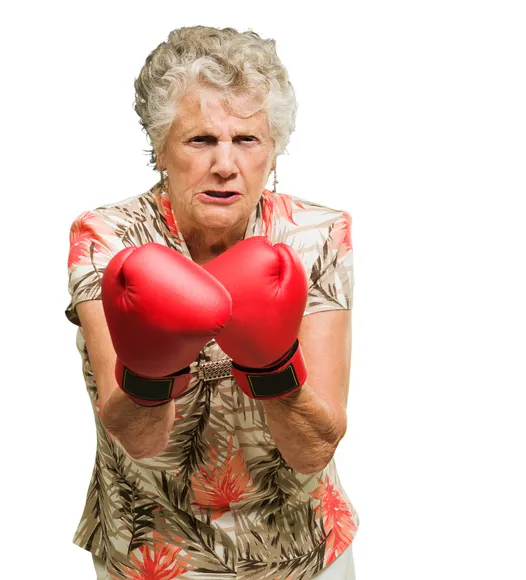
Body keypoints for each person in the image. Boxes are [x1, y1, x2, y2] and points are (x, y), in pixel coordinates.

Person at [66, 25, 358, 580]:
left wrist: (271, 364)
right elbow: (139, 438)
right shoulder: (109, 238)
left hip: (304, 550)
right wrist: (154, 363)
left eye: (246, 140)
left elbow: (314, 449)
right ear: (159, 148)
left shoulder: (317, 235)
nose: (226, 164)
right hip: (153, 554)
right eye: (200, 140)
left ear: (273, 151)